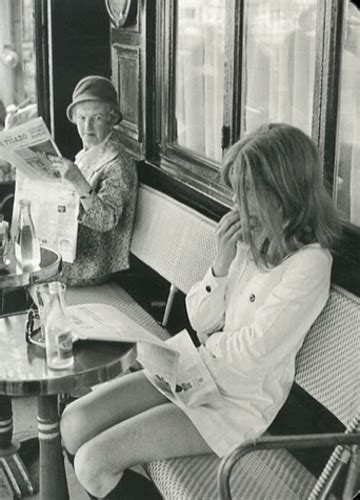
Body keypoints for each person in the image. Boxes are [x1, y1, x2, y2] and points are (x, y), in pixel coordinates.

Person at [60, 123, 340, 499]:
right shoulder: (254, 239)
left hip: (234, 405)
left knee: (93, 463)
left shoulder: (310, 265)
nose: (238, 206)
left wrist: (205, 345)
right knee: (73, 423)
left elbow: (252, 357)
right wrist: (221, 263)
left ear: (283, 193)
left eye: (247, 193)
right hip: (194, 372)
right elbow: (200, 319)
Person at [50, 75, 138, 286]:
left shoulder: (118, 163)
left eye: (96, 118)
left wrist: (78, 180)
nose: (88, 127)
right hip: (74, 250)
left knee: (33, 272)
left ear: (111, 118)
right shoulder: (88, 152)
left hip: (94, 265)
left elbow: (106, 221)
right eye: (82, 118)